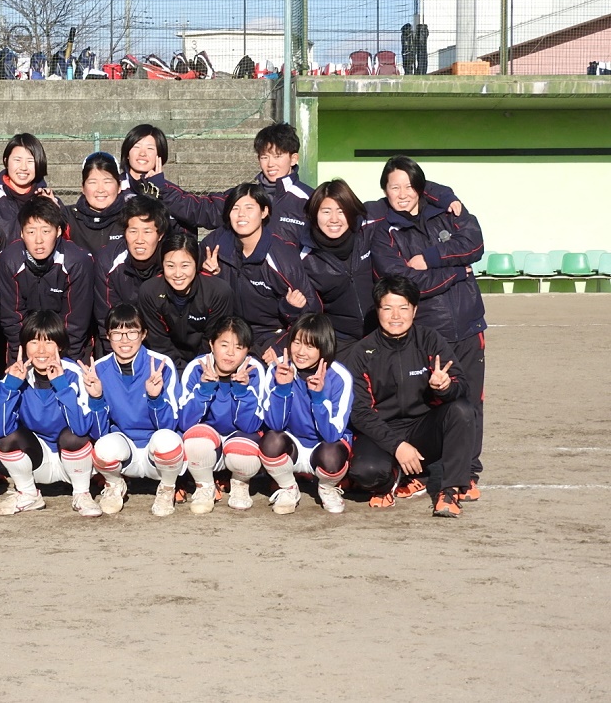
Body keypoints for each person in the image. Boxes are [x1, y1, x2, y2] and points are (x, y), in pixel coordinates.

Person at [370, 156, 486, 498]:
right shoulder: (384, 231)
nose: (402, 193)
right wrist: (458, 271)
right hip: (427, 332)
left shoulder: (446, 210)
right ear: (384, 191)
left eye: (409, 186)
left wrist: (431, 258)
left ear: (422, 188)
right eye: (394, 187)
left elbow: (475, 244)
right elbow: (406, 283)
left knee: (471, 400)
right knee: (427, 402)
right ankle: (417, 472)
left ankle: (467, 473)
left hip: (468, 325)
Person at [345, 275, 477, 518]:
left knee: (462, 410)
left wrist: (445, 387)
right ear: (378, 310)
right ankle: (394, 478)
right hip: (381, 431)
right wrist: (397, 446)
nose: (395, 316)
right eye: (388, 308)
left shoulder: (430, 340)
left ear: (414, 310)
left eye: (403, 308)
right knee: (366, 472)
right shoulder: (362, 351)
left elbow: (462, 387)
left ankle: (450, 490)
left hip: (423, 429)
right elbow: (359, 412)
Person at [0, 311, 100, 517]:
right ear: (24, 346)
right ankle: (28, 494)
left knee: (73, 435)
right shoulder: (15, 376)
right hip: (37, 461)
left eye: (49, 342)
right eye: (33, 342)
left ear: (60, 346)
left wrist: (61, 386)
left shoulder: (75, 374)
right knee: (7, 439)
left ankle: (82, 494)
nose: (41, 350)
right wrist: (11, 387)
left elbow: (81, 429)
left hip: (74, 462)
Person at [130, 122, 312, 244]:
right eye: (264, 157)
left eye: (278, 156)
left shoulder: (309, 200)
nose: (270, 164)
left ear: (293, 158)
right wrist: (162, 188)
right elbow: (201, 209)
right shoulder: (243, 195)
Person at [200, 182, 320, 361]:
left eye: (249, 208)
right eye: (235, 208)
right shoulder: (215, 244)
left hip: (270, 336)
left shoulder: (281, 256)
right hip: (230, 332)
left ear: (264, 212)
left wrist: (281, 345)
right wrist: (211, 277)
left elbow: (311, 313)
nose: (241, 214)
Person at [82, 304, 183, 516]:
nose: (125, 340)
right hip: (125, 449)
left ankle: (167, 488)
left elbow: (170, 425)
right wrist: (96, 398)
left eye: (132, 332)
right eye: (117, 333)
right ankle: (114, 484)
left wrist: (155, 398)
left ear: (143, 334)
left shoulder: (161, 365)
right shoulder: (98, 369)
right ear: (108, 336)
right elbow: (98, 433)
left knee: (168, 439)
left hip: (155, 452)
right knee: (103, 447)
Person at [260, 313, 354, 515]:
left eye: (310, 346)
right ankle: (288, 487)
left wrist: (318, 398)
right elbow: (275, 425)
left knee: (331, 454)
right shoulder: (278, 368)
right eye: (297, 342)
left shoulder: (340, 376)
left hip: (323, 446)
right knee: (271, 440)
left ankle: (327, 488)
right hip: (292, 445)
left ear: (324, 347)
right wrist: (283, 388)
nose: (301, 352)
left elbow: (332, 434)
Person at [177, 316, 267, 515]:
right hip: (208, 441)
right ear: (212, 344)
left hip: (239, 436)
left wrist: (242, 392)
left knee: (244, 453)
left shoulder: (253, 370)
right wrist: (204, 389)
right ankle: (204, 486)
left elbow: (251, 426)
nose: (230, 353)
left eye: (239, 347)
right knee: (194, 440)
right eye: (224, 345)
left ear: (247, 350)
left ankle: (240, 483)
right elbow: (184, 422)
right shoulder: (197, 367)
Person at [0, 196, 95, 363]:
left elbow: (76, 324)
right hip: (25, 346)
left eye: (46, 231)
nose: (38, 240)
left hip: (68, 347)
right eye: (31, 232)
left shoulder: (77, 262)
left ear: (59, 231)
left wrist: (64, 362)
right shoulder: (8, 261)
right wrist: (26, 359)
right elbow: (12, 320)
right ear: (21, 233)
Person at [298, 179, 376, 364]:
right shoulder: (305, 257)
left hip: (381, 332)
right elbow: (308, 309)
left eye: (341, 211)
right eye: (326, 212)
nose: (334, 219)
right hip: (340, 342)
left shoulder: (368, 233)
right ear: (314, 214)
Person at [138, 232, 234, 372]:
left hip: (206, 364)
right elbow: (158, 342)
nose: (178, 274)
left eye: (185, 266)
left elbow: (214, 339)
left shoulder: (218, 292)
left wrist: (196, 371)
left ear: (196, 264)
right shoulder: (149, 291)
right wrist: (179, 372)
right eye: (170, 266)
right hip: (166, 362)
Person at [93, 195, 169, 351]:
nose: (139, 240)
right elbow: (106, 319)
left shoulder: (172, 262)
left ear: (160, 234)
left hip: (164, 344)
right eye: (133, 231)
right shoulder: (108, 260)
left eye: (147, 232)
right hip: (121, 343)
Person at [0, 133, 63, 240]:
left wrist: (55, 210)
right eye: (17, 160)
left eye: (30, 161)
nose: (23, 167)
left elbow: (65, 238)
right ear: (6, 161)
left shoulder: (51, 200)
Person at [64, 151, 127, 254]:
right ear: (83, 187)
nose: (100, 189)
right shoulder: (67, 217)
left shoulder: (131, 217)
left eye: (107, 182)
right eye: (93, 182)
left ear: (119, 186)